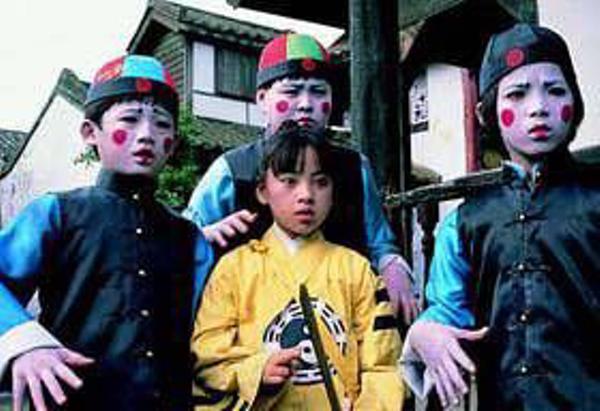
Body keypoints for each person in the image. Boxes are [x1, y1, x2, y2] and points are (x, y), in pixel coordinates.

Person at [400, 23, 600, 410]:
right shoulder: (464, 224)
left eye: (555, 90)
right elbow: (447, 309)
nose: (538, 107)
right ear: (486, 111)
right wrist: (425, 332)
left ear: (575, 100)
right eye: (517, 94)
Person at [0, 55, 214, 411]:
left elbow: (208, 331)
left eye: (161, 124)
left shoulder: (190, 238)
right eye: (129, 119)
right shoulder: (58, 212)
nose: (146, 134)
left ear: (173, 144)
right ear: (90, 132)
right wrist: (23, 343)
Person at [183, 32, 418, 324]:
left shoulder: (354, 167)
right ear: (262, 99)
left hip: (341, 318)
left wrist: (392, 265)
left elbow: (379, 242)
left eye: (318, 92)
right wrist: (202, 238)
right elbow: (183, 241)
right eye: (292, 92)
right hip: (250, 324)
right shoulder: (231, 170)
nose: (306, 104)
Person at [191, 123, 404, 410]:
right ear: (263, 191)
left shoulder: (358, 271)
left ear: (334, 191)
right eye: (290, 181)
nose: (306, 195)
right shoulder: (233, 270)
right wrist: (256, 372)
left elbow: (383, 366)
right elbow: (207, 360)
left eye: (320, 182)